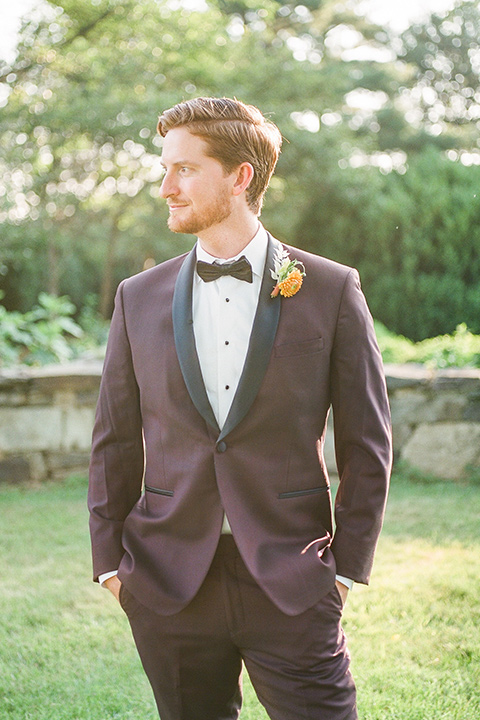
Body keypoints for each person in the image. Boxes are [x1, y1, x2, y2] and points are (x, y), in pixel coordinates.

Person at [88, 96, 392, 720]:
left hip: (292, 577)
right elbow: (114, 439)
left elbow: (367, 441)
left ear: (240, 176)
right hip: (168, 581)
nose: (165, 186)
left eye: (184, 169)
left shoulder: (331, 289)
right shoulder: (136, 297)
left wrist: (342, 573)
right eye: (164, 167)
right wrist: (111, 568)